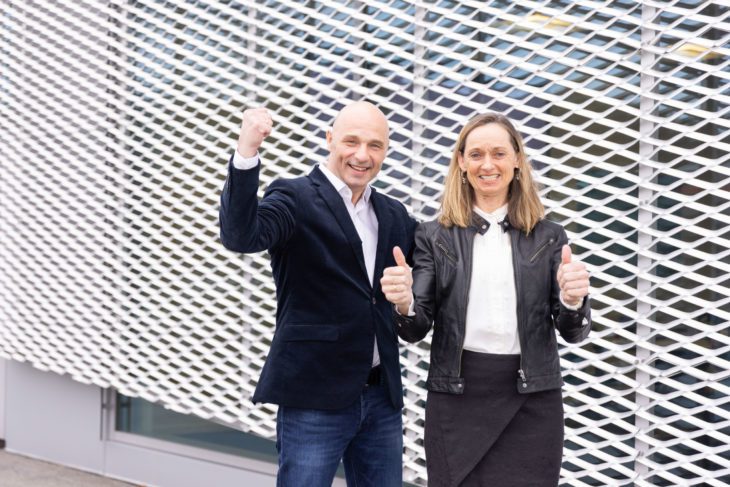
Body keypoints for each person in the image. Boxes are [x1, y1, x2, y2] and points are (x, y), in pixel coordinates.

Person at [380, 112, 591, 486]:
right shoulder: (434, 237)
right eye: (475, 154)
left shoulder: (549, 237)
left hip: (532, 401)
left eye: (498, 153)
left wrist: (573, 299)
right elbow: (415, 327)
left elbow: (573, 332)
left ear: (517, 160)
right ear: (461, 162)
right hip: (457, 398)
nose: (487, 164)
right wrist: (403, 302)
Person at [219, 101, 416, 487]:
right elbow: (240, 236)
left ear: (387, 149)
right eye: (351, 141)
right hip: (313, 397)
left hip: (381, 398)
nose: (362, 155)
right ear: (329, 139)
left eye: (375, 145)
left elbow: (434, 267)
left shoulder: (393, 214)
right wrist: (247, 152)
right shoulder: (295, 197)